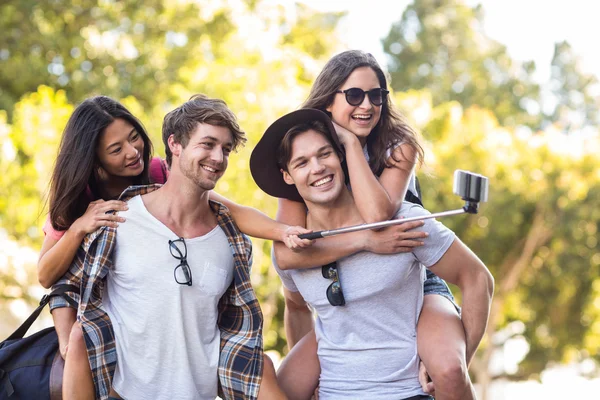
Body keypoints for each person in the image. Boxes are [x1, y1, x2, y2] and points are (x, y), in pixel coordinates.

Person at [40, 96, 305, 399]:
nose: (132, 152)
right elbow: (49, 276)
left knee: (262, 365)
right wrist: (77, 228)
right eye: (116, 149)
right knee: (76, 337)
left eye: (134, 138)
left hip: (194, 374)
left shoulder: (157, 172)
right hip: (88, 298)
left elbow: (232, 209)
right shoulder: (85, 202)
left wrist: (282, 231)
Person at [271, 50, 477, 399]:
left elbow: (378, 217)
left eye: (376, 95)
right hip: (347, 283)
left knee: (447, 369)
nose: (366, 105)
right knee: (286, 387)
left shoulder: (397, 147)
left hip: (414, 275)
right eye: (354, 95)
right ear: (328, 100)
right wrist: (365, 242)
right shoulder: (305, 157)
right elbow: (288, 255)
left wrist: (350, 143)